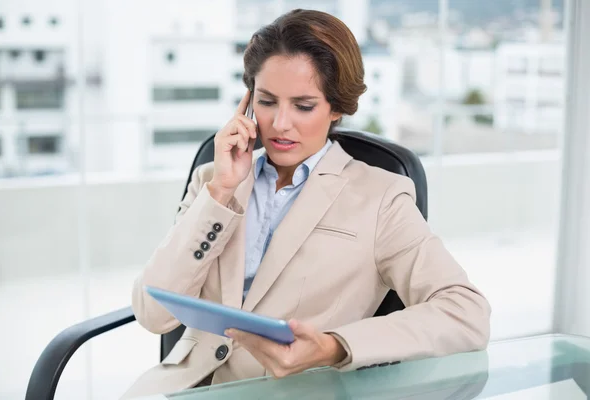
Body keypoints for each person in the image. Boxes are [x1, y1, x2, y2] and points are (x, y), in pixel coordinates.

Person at [121, 9, 491, 399]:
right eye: (266, 101)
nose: (280, 123)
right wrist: (221, 192)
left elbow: (466, 314)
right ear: (247, 103)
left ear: (336, 108)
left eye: (303, 105)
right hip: (181, 390)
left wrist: (334, 346)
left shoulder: (381, 198)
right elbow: (153, 313)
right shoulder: (214, 181)